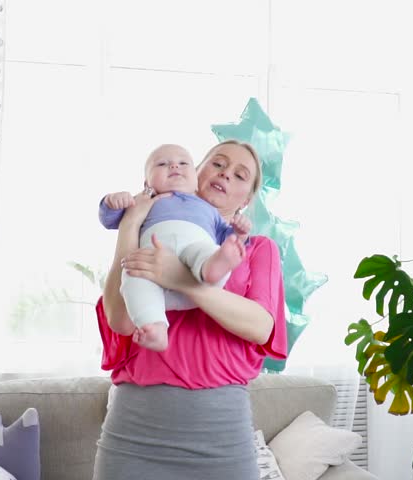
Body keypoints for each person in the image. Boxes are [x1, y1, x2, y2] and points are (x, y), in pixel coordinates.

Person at [93, 140, 287, 480]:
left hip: (222, 436)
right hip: (134, 433)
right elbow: (121, 321)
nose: (225, 174)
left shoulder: (257, 249)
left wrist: (181, 280)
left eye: (240, 175)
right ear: (197, 172)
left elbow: (260, 327)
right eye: (218, 164)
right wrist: (130, 225)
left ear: (246, 200)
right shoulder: (148, 232)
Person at [98, 143, 252, 352]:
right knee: (132, 275)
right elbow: (110, 219)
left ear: (194, 179)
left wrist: (239, 233)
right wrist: (112, 202)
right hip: (151, 268)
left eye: (182, 163)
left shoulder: (209, 212)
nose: (174, 166)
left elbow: (228, 239)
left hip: (195, 267)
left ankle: (211, 270)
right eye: (162, 164)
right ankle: (154, 326)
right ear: (147, 182)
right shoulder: (143, 202)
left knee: (209, 253)